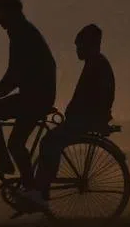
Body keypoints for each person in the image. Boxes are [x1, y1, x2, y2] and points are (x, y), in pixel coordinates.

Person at [0, 0, 57, 194]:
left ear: (9, 12)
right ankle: (28, 186)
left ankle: (17, 174)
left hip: (36, 98)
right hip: (34, 95)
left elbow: (14, 75)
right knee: (14, 141)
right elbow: (14, 75)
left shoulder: (23, 34)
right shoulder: (22, 32)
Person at [27, 23, 115, 208]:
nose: (77, 50)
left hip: (85, 120)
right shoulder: (97, 63)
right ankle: (41, 189)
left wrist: (76, 115)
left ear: (89, 45)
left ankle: (42, 190)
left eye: (79, 46)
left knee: (49, 142)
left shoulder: (96, 66)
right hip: (85, 118)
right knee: (52, 140)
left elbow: (93, 99)